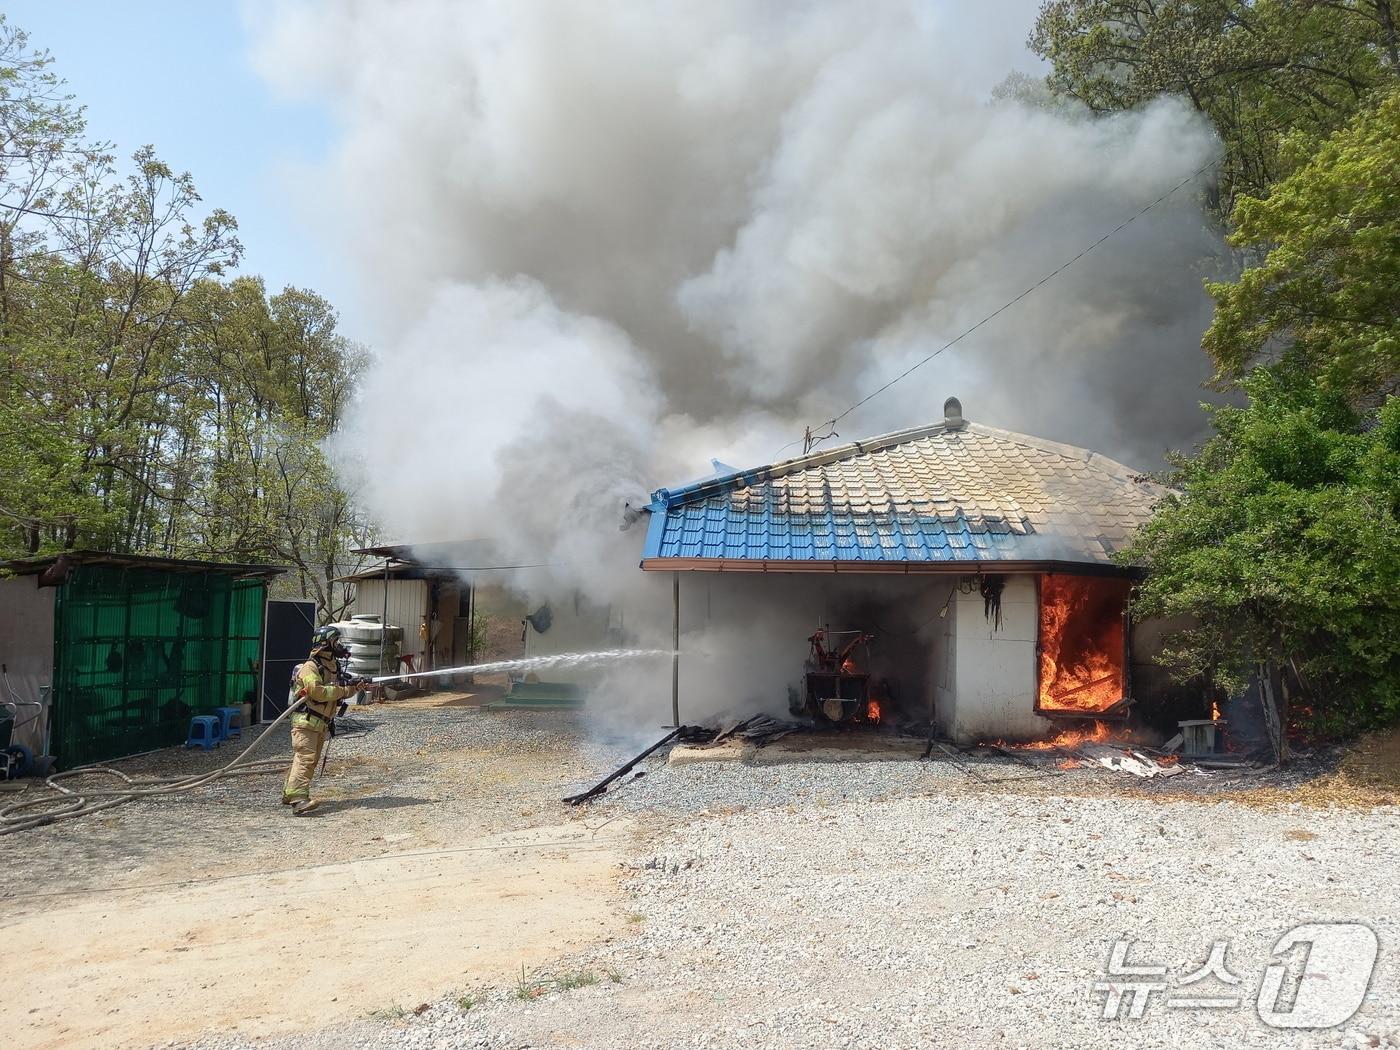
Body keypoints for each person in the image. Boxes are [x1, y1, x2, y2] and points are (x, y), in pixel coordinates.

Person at [281, 625, 366, 815]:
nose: (340, 645)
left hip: (320, 723)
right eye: (336, 642)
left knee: (308, 760)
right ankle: (298, 800)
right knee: (305, 758)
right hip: (305, 722)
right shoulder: (310, 667)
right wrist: (344, 689)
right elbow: (317, 692)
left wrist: (355, 687)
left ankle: (290, 793)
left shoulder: (332, 667)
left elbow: (337, 690)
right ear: (326, 644)